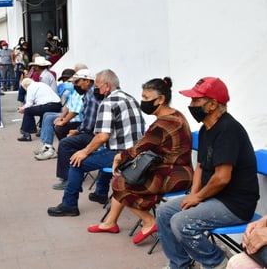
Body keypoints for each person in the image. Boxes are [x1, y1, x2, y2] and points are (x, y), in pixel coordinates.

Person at [156, 77, 260, 269]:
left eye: (196, 101)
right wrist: (194, 195)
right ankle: (180, 264)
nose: (191, 105)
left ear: (212, 104)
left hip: (235, 204)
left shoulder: (228, 130)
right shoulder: (206, 129)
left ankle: (217, 263)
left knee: (181, 222)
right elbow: (201, 167)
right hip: (213, 197)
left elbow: (222, 178)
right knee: (164, 212)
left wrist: (197, 198)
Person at [87, 77, 193, 245]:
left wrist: (119, 156)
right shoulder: (174, 115)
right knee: (125, 177)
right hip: (174, 170)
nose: (142, 101)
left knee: (120, 183)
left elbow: (139, 147)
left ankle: (149, 221)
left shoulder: (164, 123)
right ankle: (110, 222)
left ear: (160, 99)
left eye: (145, 98)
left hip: (175, 175)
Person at [47, 69, 145, 217]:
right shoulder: (130, 98)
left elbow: (102, 136)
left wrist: (84, 152)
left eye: (97, 87)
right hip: (138, 151)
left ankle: (69, 205)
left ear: (106, 86)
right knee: (102, 153)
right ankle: (100, 193)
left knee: (76, 162)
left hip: (123, 154)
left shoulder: (108, 102)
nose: (96, 90)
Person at [51, 69, 100, 190]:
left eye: (77, 82)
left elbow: (89, 125)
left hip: (97, 134)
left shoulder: (91, 96)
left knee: (65, 143)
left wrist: (78, 131)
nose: (75, 85)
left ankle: (69, 178)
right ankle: (74, 168)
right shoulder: (89, 93)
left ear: (87, 81)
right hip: (94, 131)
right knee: (65, 134)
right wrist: (77, 130)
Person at [34, 68, 83, 160]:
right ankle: (46, 145)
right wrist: (61, 117)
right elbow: (68, 107)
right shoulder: (72, 91)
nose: (66, 83)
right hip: (68, 114)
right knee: (47, 115)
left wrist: (63, 120)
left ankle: (49, 148)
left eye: (68, 81)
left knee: (50, 119)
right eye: (64, 80)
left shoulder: (79, 92)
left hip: (77, 119)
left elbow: (75, 111)